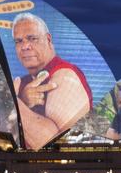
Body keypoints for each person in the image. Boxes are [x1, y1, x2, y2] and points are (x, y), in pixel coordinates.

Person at [12, 12, 92, 149]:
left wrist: (15, 105)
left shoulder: (66, 74)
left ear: (48, 40)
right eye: (18, 41)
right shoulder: (22, 83)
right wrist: (23, 101)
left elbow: (53, 146)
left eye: (32, 38)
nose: (24, 46)